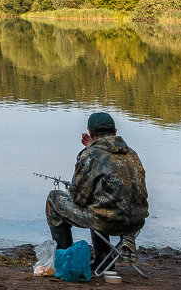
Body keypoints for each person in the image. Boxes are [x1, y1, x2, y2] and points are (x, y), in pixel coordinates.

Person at [45, 111, 148, 267]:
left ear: (90, 132)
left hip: (109, 222)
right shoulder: (132, 154)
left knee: (54, 199)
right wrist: (91, 147)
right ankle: (104, 260)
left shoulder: (90, 155)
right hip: (135, 222)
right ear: (115, 132)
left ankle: (66, 261)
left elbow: (78, 198)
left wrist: (88, 152)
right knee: (101, 200)